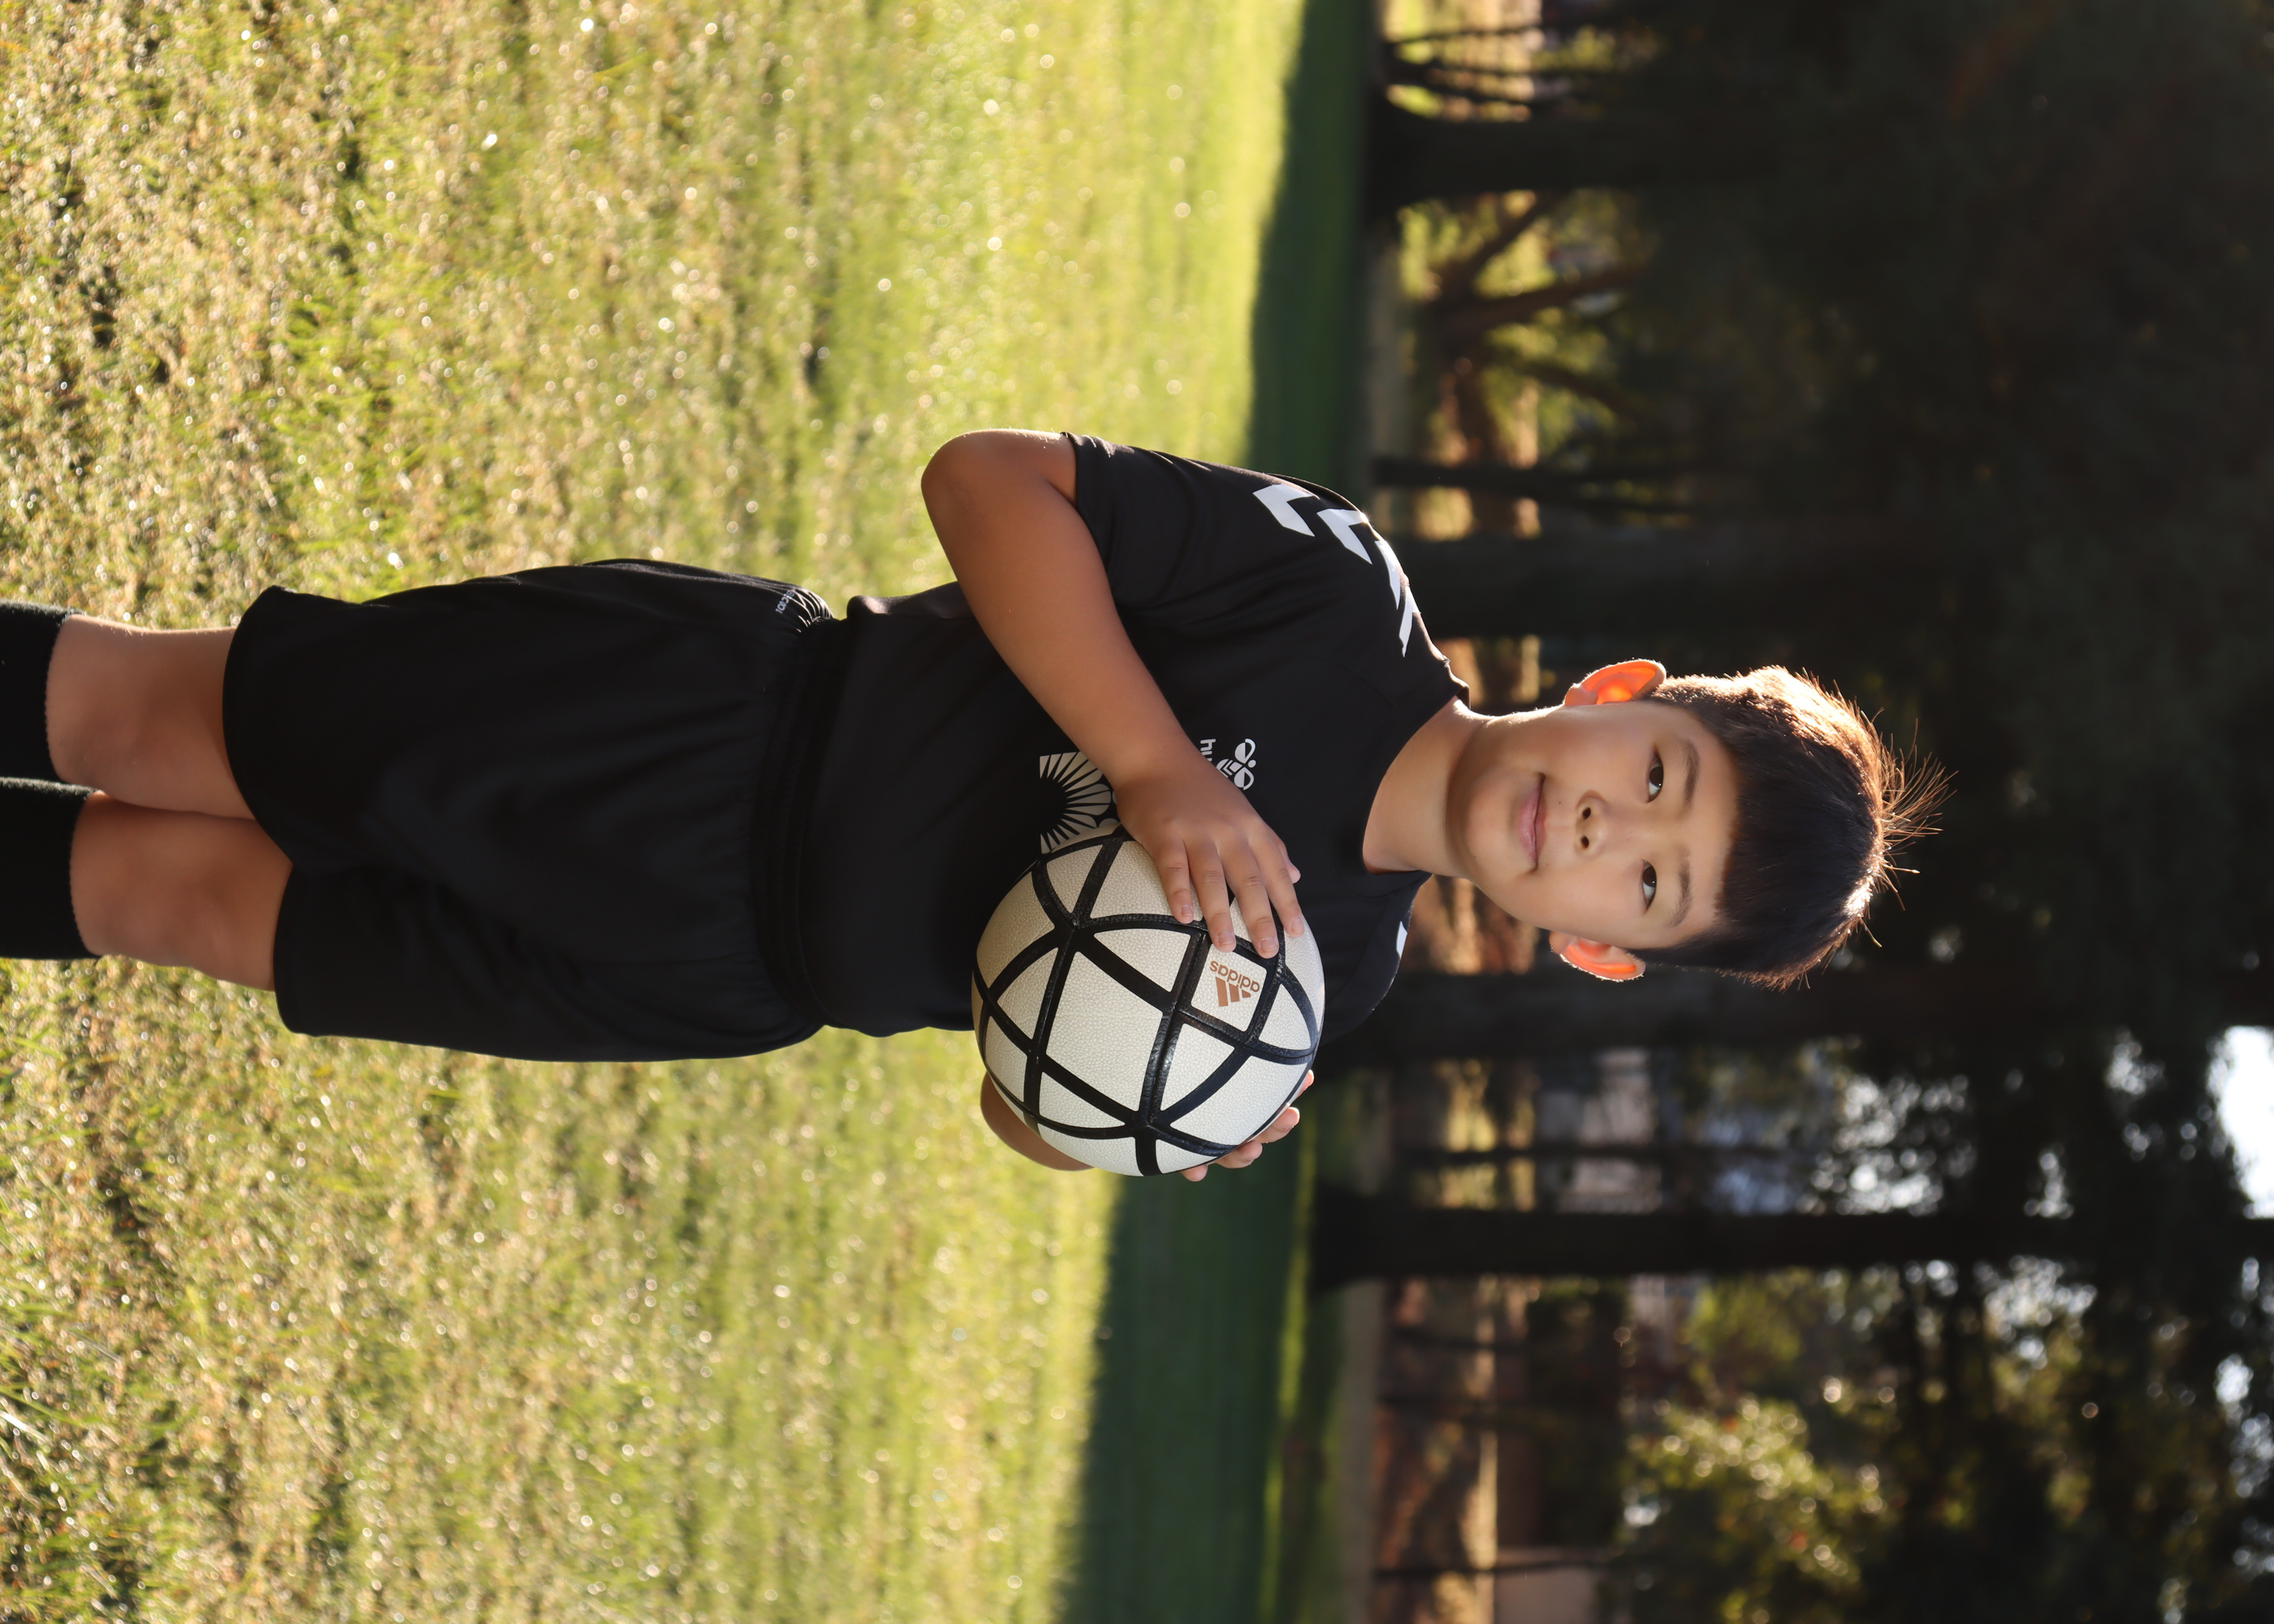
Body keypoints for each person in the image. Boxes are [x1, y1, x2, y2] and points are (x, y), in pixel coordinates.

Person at [0, 431, 1929, 1180]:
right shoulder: (1334, 599)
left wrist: (1132, 1112)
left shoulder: (1319, 985)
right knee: (156, 720)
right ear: (1617, 693)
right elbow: (989, 485)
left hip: (721, 975)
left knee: (185, 908)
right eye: (1652, 780)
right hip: (709, 725)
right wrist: (1155, 770)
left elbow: (1011, 1097)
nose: (1604, 833)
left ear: (1600, 955)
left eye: (1650, 884)